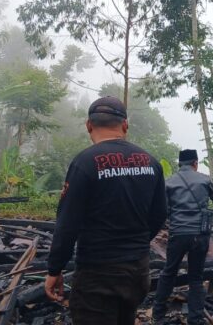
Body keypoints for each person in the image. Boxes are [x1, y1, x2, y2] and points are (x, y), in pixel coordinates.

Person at [45, 96, 167, 325]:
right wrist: (136, 243)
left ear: (89, 125)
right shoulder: (151, 163)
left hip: (98, 275)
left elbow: (67, 224)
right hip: (137, 272)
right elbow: (160, 213)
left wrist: (55, 269)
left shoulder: (85, 162)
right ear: (125, 125)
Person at [153, 149, 213, 325]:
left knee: (169, 272)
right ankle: (195, 318)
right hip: (200, 235)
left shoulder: (168, 182)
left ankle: (158, 314)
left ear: (179, 164)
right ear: (195, 163)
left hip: (178, 233)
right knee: (196, 277)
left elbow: (162, 209)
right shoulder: (205, 179)